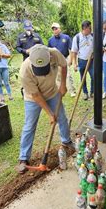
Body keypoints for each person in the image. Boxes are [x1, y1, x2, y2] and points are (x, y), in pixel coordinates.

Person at [18, 44, 73, 174]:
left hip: (53, 92)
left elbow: (64, 65)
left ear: (49, 57)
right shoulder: (24, 71)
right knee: (29, 126)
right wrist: (49, 113)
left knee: (62, 118)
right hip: (33, 99)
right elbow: (36, 95)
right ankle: (23, 158)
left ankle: (66, 141)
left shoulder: (54, 52)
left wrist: (63, 84)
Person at [48, 22, 76, 97]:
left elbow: (71, 49)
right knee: (57, 76)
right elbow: (49, 51)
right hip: (55, 60)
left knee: (68, 75)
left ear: (60, 29)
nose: (55, 30)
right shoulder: (50, 40)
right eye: (53, 29)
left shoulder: (66, 37)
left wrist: (70, 59)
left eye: (56, 28)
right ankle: (58, 91)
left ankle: (72, 91)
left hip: (65, 58)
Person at [70, 20, 94, 100]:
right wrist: (74, 63)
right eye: (89, 28)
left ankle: (92, 92)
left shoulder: (92, 36)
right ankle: (85, 93)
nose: (91, 29)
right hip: (82, 61)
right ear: (84, 28)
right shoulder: (77, 38)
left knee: (93, 76)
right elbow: (74, 52)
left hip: (91, 61)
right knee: (83, 77)